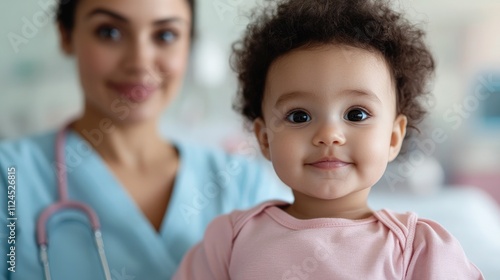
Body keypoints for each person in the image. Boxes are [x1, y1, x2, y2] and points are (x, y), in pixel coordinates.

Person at [173, 0, 485, 279]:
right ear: (264, 139)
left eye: (356, 114)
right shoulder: (230, 240)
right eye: (299, 116)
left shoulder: (419, 250)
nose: (328, 135)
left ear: (393, 138)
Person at [0, 0, 290, 279]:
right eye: (109, 32)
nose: (139, 62)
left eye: (165, 35)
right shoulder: (8, 178)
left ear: (189, 43)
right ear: (66, 35)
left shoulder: (245, 185)